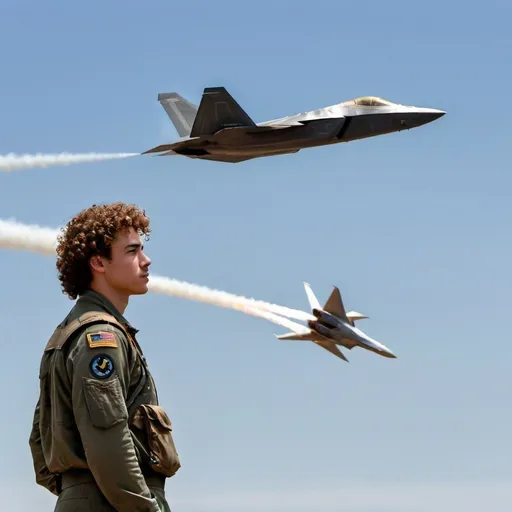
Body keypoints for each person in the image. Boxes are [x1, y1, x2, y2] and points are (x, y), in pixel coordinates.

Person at [29, 202, 181, 511]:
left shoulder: (68, 334)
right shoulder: (101, 338)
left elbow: (39, 443)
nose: (146, 260)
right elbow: (107, 438)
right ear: (98, 263)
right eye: (132, 251)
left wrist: (76, 489)